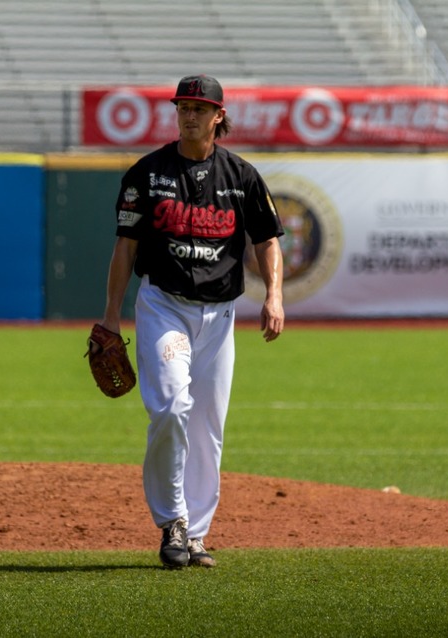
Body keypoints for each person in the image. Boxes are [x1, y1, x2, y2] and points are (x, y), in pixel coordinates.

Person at [99, 74, 285, 568]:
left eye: (200, 108)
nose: (189, 115)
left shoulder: (241, 176)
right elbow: (126, 246)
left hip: (220, 317)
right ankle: (172, 521)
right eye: (183, 106)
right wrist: (110, 316)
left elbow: (267, 240)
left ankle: (196, 535)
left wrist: (275, 296)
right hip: (164, 306)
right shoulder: (148, 172)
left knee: (207, 425)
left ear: (219, 116)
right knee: (172, 406)